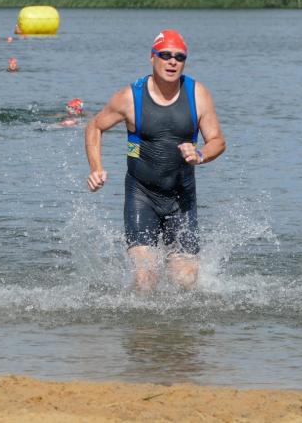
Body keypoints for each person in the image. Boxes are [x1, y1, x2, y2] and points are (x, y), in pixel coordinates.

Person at [85, 29, 225, 292]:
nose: (172, 62)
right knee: (145, 279)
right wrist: (96, 168)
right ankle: (136, 318)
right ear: (152, 57)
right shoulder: (130, 97)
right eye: (165, 55)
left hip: (181, 198)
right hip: (142, 195)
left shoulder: (198, 94)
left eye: (179, 57)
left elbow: (217, 140)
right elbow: (95, 126)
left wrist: (201, 154)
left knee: (185, 281)